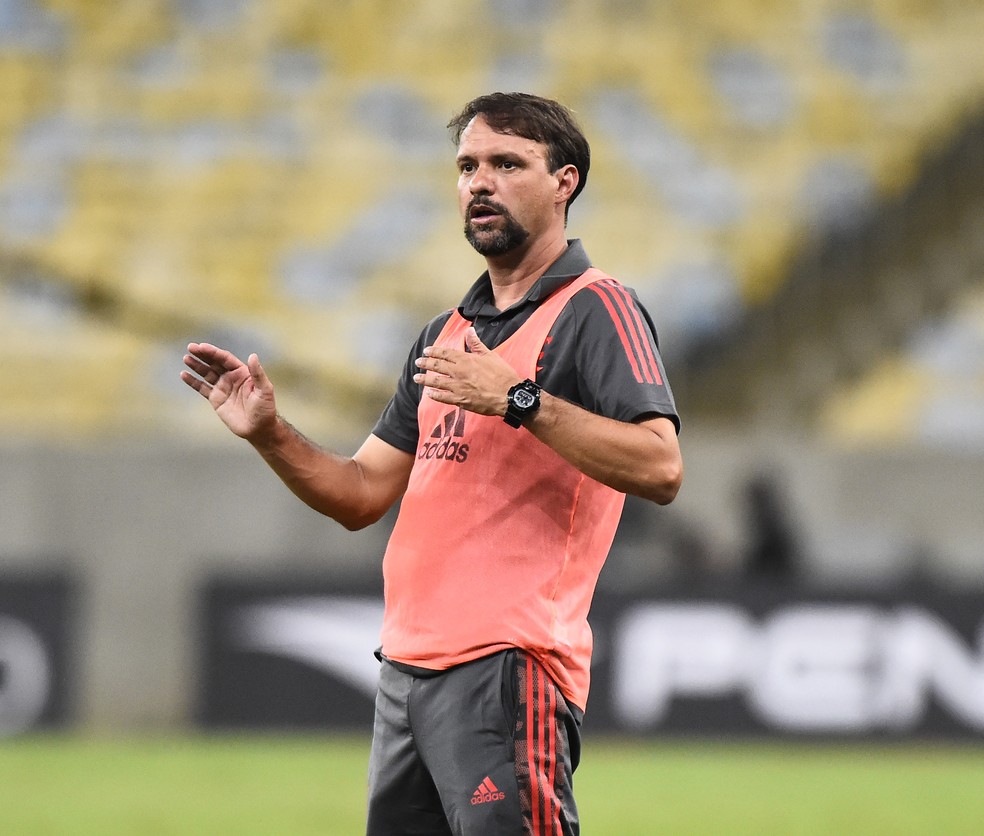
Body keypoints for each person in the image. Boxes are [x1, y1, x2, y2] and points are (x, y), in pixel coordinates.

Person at [182, 92, 683, 836]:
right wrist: (268, 433)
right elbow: (360, 494)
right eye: (467, 166)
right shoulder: (444, 334)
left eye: (507, 164)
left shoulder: (596, 307)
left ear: (564, 182)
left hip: (509, 670)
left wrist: (517, 397)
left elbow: (661, 466)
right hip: (406, 675)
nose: (480, 182)